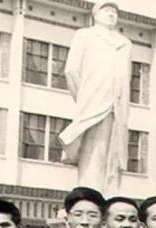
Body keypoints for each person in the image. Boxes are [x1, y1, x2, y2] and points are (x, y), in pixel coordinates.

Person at [59, 0, 131, 192]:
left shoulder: (125, 43)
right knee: (92, 154)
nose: (112, 14)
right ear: (95, 14)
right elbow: (71, 70)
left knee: (113, 157)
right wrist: (85, 97)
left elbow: (127, 77)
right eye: (107, 10)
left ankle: (110, 197)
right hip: (93, 102)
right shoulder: (85, 35)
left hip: (118, 105)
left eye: (115, 12)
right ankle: (89, 196)